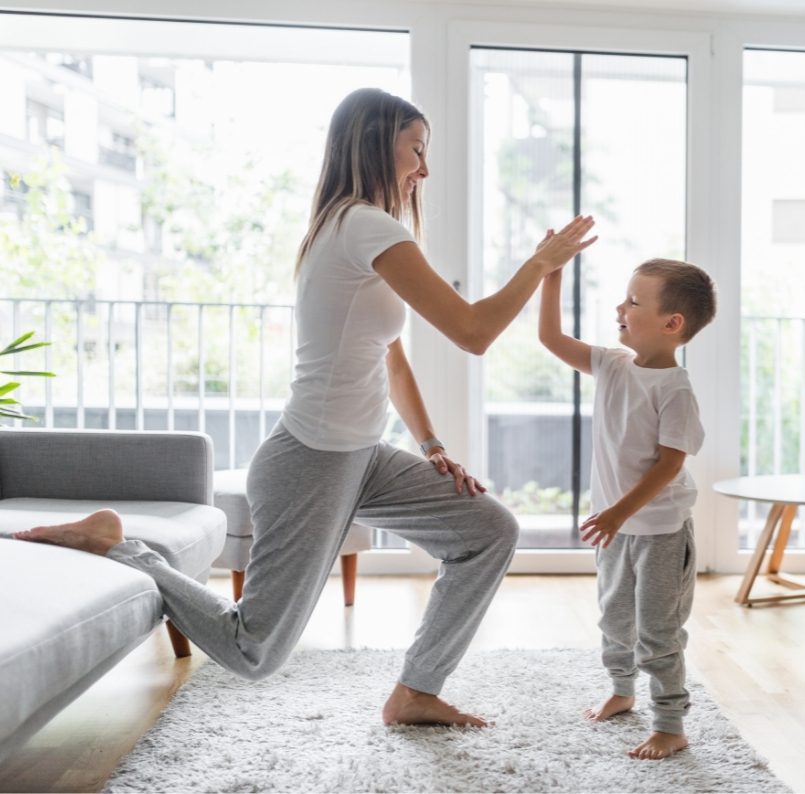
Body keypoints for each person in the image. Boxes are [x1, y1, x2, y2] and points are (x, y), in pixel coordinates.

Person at [11, 87, 596, 728]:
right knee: (252, 650)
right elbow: (473, 332)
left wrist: (431, 446)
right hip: (310, 462)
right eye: (416, 150)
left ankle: (414, 692)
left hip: (361, 457)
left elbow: (391, 358)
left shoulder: (355, 226)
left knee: (489, 530)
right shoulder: (365, 225)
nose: (423, 169)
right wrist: (541, 263)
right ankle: (123, 547)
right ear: (376, 143)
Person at [538, 256, 716, 759]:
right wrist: (552, 275)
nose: (621, 306)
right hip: (617, 530)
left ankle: (669, 724)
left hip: (659, 531)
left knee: (658, 629)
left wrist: (618, 511)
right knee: (615, 617)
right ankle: (621, 688)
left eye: (634, 301)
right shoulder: (611, 364)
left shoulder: (675, 390)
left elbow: (668, 464)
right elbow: (551, 339)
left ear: (672, 323)